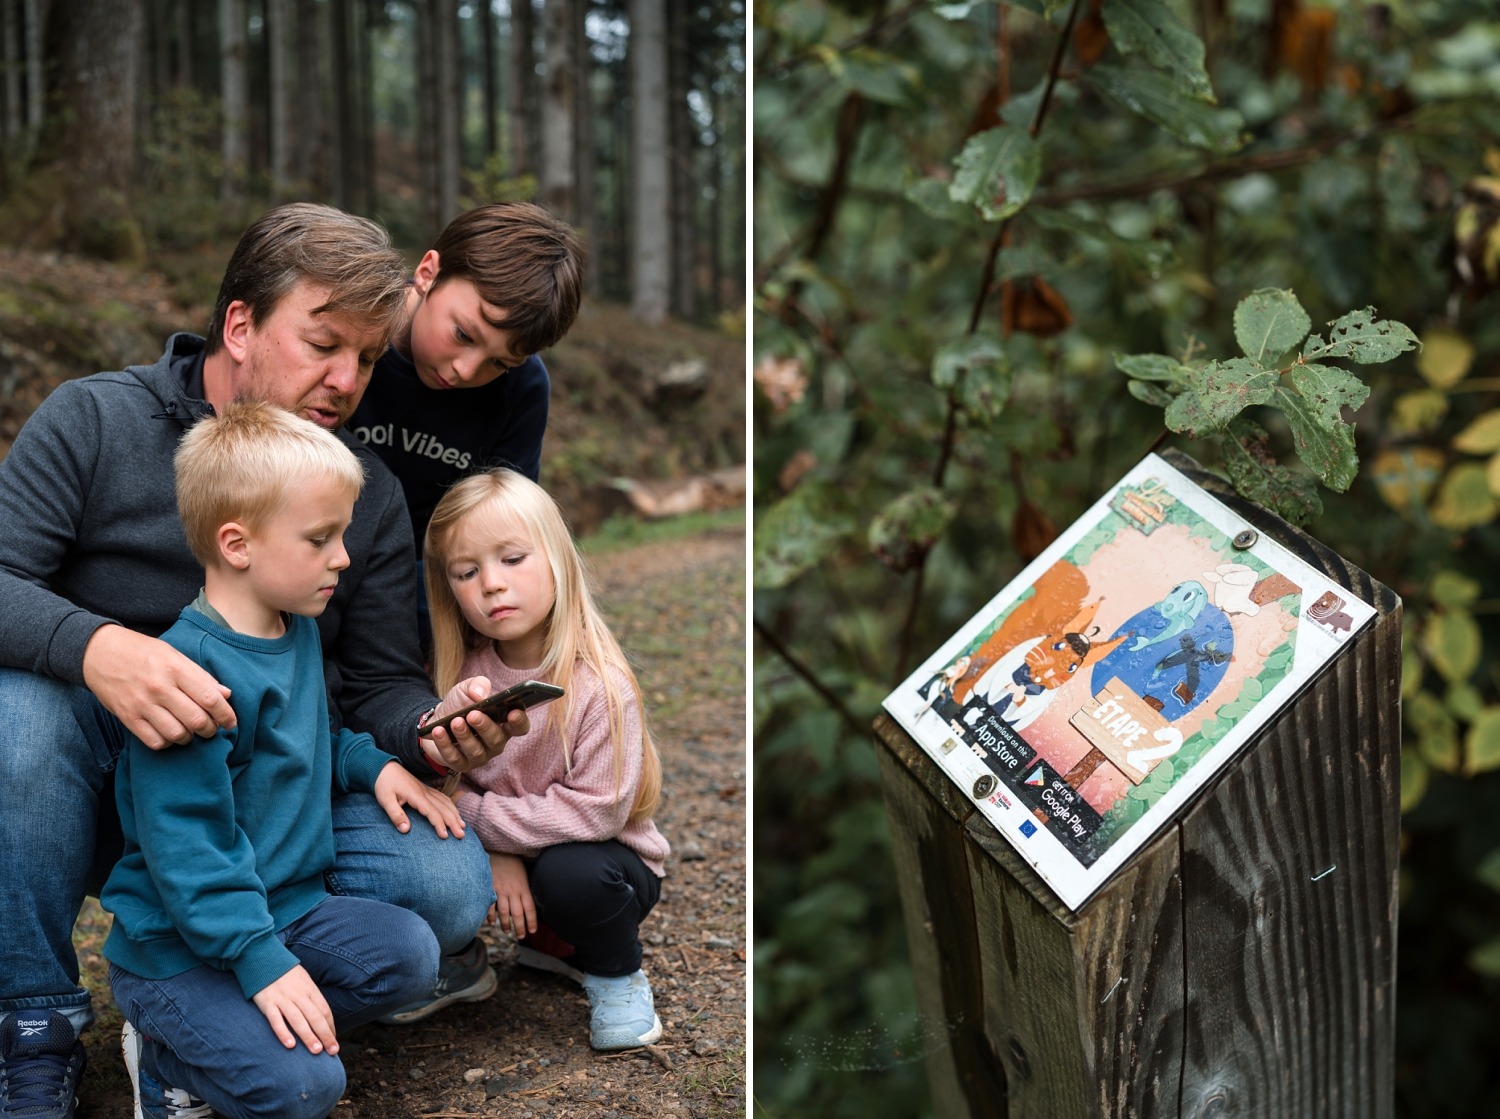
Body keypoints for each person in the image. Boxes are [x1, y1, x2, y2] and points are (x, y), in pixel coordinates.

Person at [0, 203, 520, 1118]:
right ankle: (33, 1022)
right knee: (16, 716)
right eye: (324, 345)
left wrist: (426, 733)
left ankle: (194, 1024)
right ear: (240, 325)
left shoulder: (364, 490)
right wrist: (96, 647)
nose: (347, 379)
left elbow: (380, 681)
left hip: (268, 795)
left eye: (366, 357)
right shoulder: (93, 420)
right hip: (97, 781)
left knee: (445, 885)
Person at [105, 402, 461, 1119]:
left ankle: (238, 1030)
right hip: (178, 943)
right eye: (321, 538)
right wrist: (259, 959)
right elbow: (189, 851)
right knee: (304, 1088)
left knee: (412, 955)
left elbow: (315, 735)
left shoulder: (294, 627)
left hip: (291, 906)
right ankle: (167, 1051)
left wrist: (371, 765)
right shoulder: (189, 675)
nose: (344, 557)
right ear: (238, 544)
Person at [419, 468, 671, 1051]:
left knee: (572, 872)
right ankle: (513, 953)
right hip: (521, 865)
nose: (492, 585)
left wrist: (495, 838)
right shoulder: (459, 677)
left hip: (609, 871)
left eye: (512, 559)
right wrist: (491, 852)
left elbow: (595, 817)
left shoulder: (600, 684)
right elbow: (439, 783)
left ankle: (616, 974)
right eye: (467, 571)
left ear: (557, 558)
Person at [347, 201, 585, 549]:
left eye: (500, 363)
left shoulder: (523, 388)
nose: (466, 370)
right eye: (464, 335)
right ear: (428, 273)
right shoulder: (348, 330)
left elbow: (499, 526)